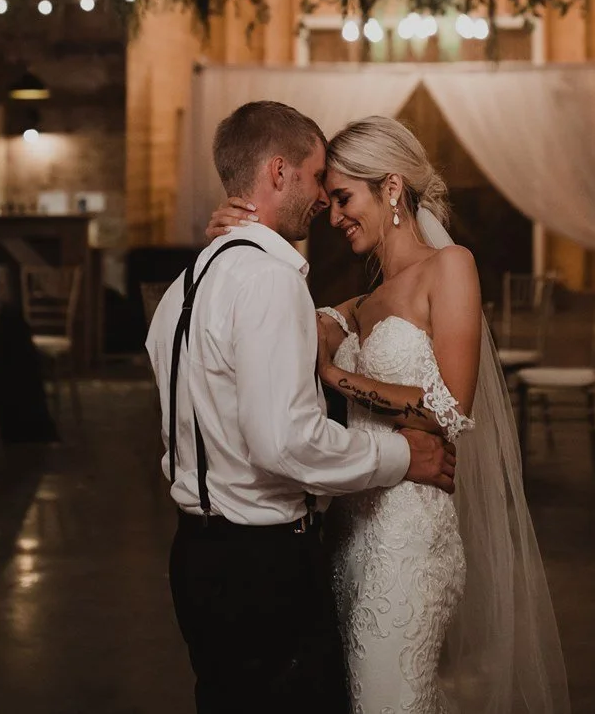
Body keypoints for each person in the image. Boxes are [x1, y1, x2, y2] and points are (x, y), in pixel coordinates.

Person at [208, 115, 570, 714]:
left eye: (345, 198)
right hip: (352, 527)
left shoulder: (452, 268)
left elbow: (450, 410)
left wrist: (336, 375)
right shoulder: (362, 301)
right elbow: (269, 319)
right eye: (329, 200)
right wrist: (233, 236)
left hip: (410, 533)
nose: (333, 215)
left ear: (393, 188)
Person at [149, 101, 458, 714]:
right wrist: (401, 454)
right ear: (279, 171)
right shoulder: (268, 279)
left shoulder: (187, 282)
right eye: (320, 180)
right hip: (260, 565)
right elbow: (285, 443)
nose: (324, 201)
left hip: (197, 556)